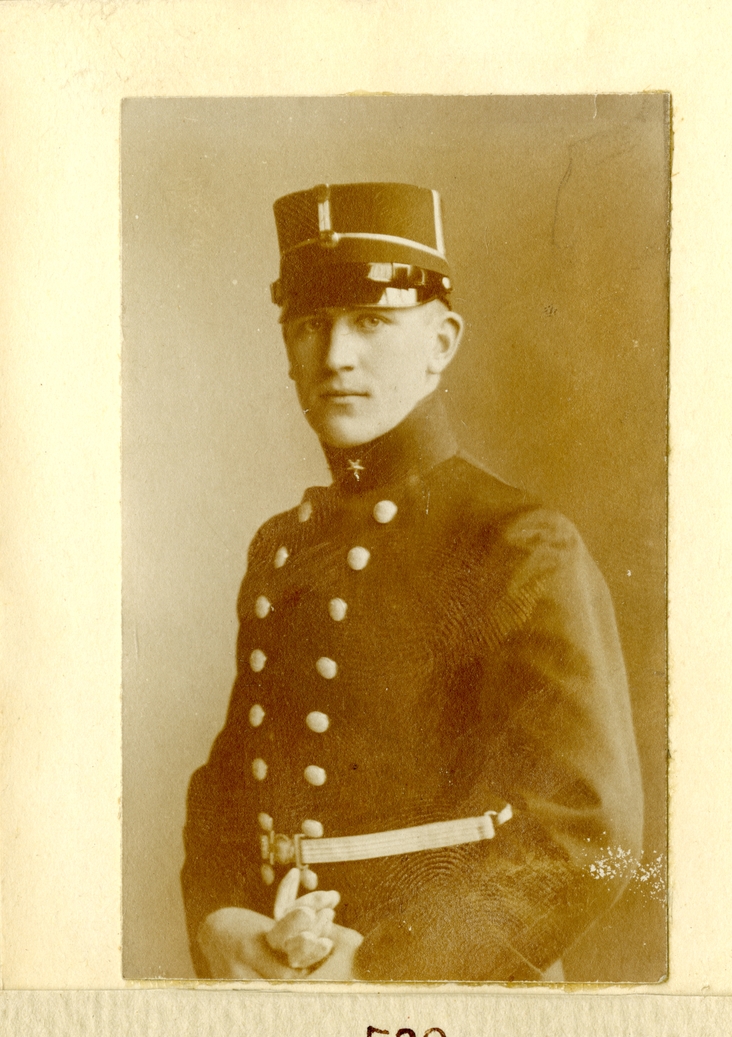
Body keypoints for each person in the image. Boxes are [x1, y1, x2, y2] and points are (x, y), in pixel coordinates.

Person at [181, 181, 644, 981]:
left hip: (451, 989)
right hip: (281, 981)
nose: (335, 356)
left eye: (371, 322)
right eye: (311, 325)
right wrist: (222, 923)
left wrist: (384, 970)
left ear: (441, 342)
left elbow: (584, 832)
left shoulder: (516, 544)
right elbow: (232, 784)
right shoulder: (282, 548)